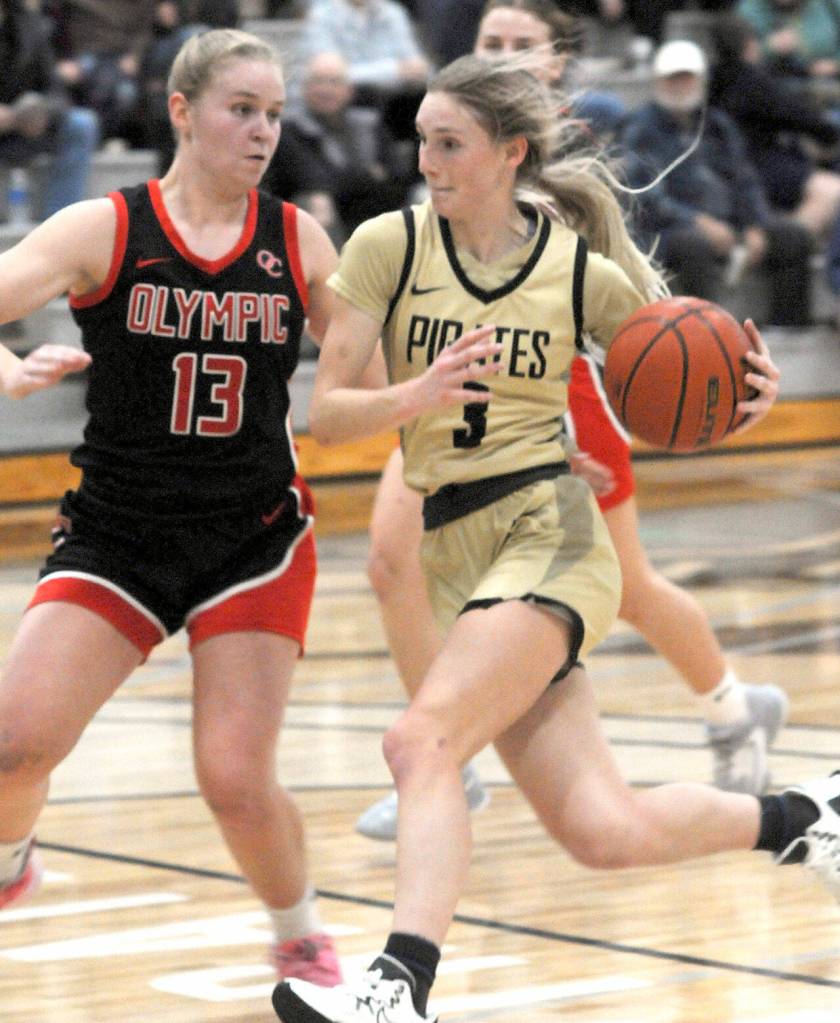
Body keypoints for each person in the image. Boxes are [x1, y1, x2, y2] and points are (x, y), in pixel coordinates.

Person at [271, 52, 840, 1023]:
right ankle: (808, 817)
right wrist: (416, 395)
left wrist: (745, 394)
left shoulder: (576, 272)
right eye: (422, 142)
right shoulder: (386, 247)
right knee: (603, 830)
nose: (428, 162)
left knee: (420, 741)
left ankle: (398, 988)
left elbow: (684, 374)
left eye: (450, 144)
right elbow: (324, 417)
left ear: (510, 154)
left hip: (550, 533)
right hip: (457, 550)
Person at [354, 0, 788, 845]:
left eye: (524, 45)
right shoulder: (448, 155)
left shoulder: (571, 185)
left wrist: (741, 384)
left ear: (557, 66)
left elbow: (655, 321)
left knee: (627, 586)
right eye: (492, 41)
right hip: (453, 400)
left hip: (561, 406)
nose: (505, 54)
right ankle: (447, 760)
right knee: (388, 559)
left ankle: (735, 707)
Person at [0, 27, 345, 988]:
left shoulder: (296, 240)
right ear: (182, 112)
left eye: (274, 115)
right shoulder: (107, 229)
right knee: (12, 747)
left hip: (253, 538)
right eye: (243, 110)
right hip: (118, 533)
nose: (264, 131)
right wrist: (9, 369)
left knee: (234, 779)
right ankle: (10, 857)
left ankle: (301, 937)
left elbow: (370, 364)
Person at [621, 38, 814, 328]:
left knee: (792, 236)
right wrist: (697, 221)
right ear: (658, 82)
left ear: (701, 81)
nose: (680, 85)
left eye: (687, 78)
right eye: (673, 78)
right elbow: (645, 195)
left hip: (729, 221)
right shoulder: (640, 128)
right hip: (669, 229)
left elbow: (745, 179)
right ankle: (709, 333)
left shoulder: (719, 125)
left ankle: (789, 328)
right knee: (693, 245)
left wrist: (755, 223)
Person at [263, 50, 417, 247]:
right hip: (328, 224)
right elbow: (313, 180)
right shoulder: (289, 130)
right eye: (318, 81)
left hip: (378, 217)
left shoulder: (370, 123)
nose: (326, 90)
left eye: (334, 82)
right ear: (304, 89)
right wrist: (371, 175)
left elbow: (399, 174)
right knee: (315, 202)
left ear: (349, 89)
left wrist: (346, 181)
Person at [709, 13, 840, 242]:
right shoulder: (752, 81)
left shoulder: (710, 79)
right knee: (831, 190)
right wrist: (831, 133)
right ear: (749, 45)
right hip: (755, 167)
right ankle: (785, 246)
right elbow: (803, 118)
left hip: (726, 166)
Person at [0, 0, 99, 220]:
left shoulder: (27, 23)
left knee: (81, 124)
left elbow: (57, 93)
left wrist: (41, 111)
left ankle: (60, 222)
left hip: (25, 125)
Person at [298, 0, 432, 142]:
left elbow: (418, 69)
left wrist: (364, 73)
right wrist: (394, 70)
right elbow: (329, 72)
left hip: (393, 98)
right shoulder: (321, 15)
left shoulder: (391, 12)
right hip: (351, 98)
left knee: (423, 100)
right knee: (342, 92)